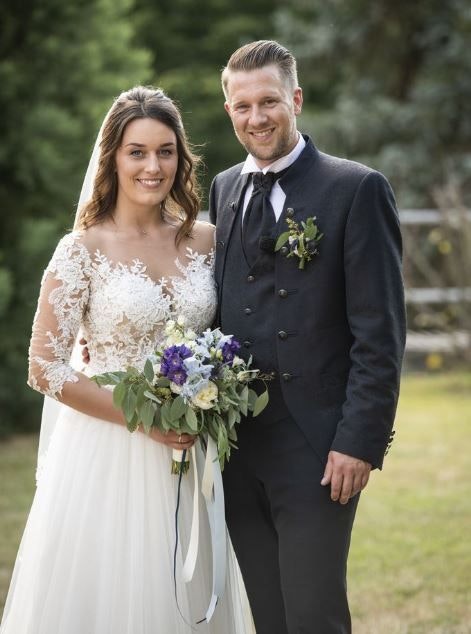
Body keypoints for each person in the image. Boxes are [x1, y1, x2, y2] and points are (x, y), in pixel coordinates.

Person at [0, 86, 253, 633]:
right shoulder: (82, 250)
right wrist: (146, 417)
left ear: (181, 159)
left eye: (166, 151)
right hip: (110, 451)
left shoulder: (210, 241)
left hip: (196, 454)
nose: (152, 166)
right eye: (137, 151)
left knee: (190, 595)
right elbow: (44, 365)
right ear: (112, 157)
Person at [209, 40, 406, 634]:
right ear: (229, 111)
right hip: (236, 447)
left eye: (269, 101)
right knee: (267, 616)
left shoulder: (355, 188)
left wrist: (360, 442)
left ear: (295, 99)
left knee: (313, 614)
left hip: (319, 447)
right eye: (242, 106)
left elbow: (380, 331)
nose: (257, 118)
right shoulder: (223, 190)